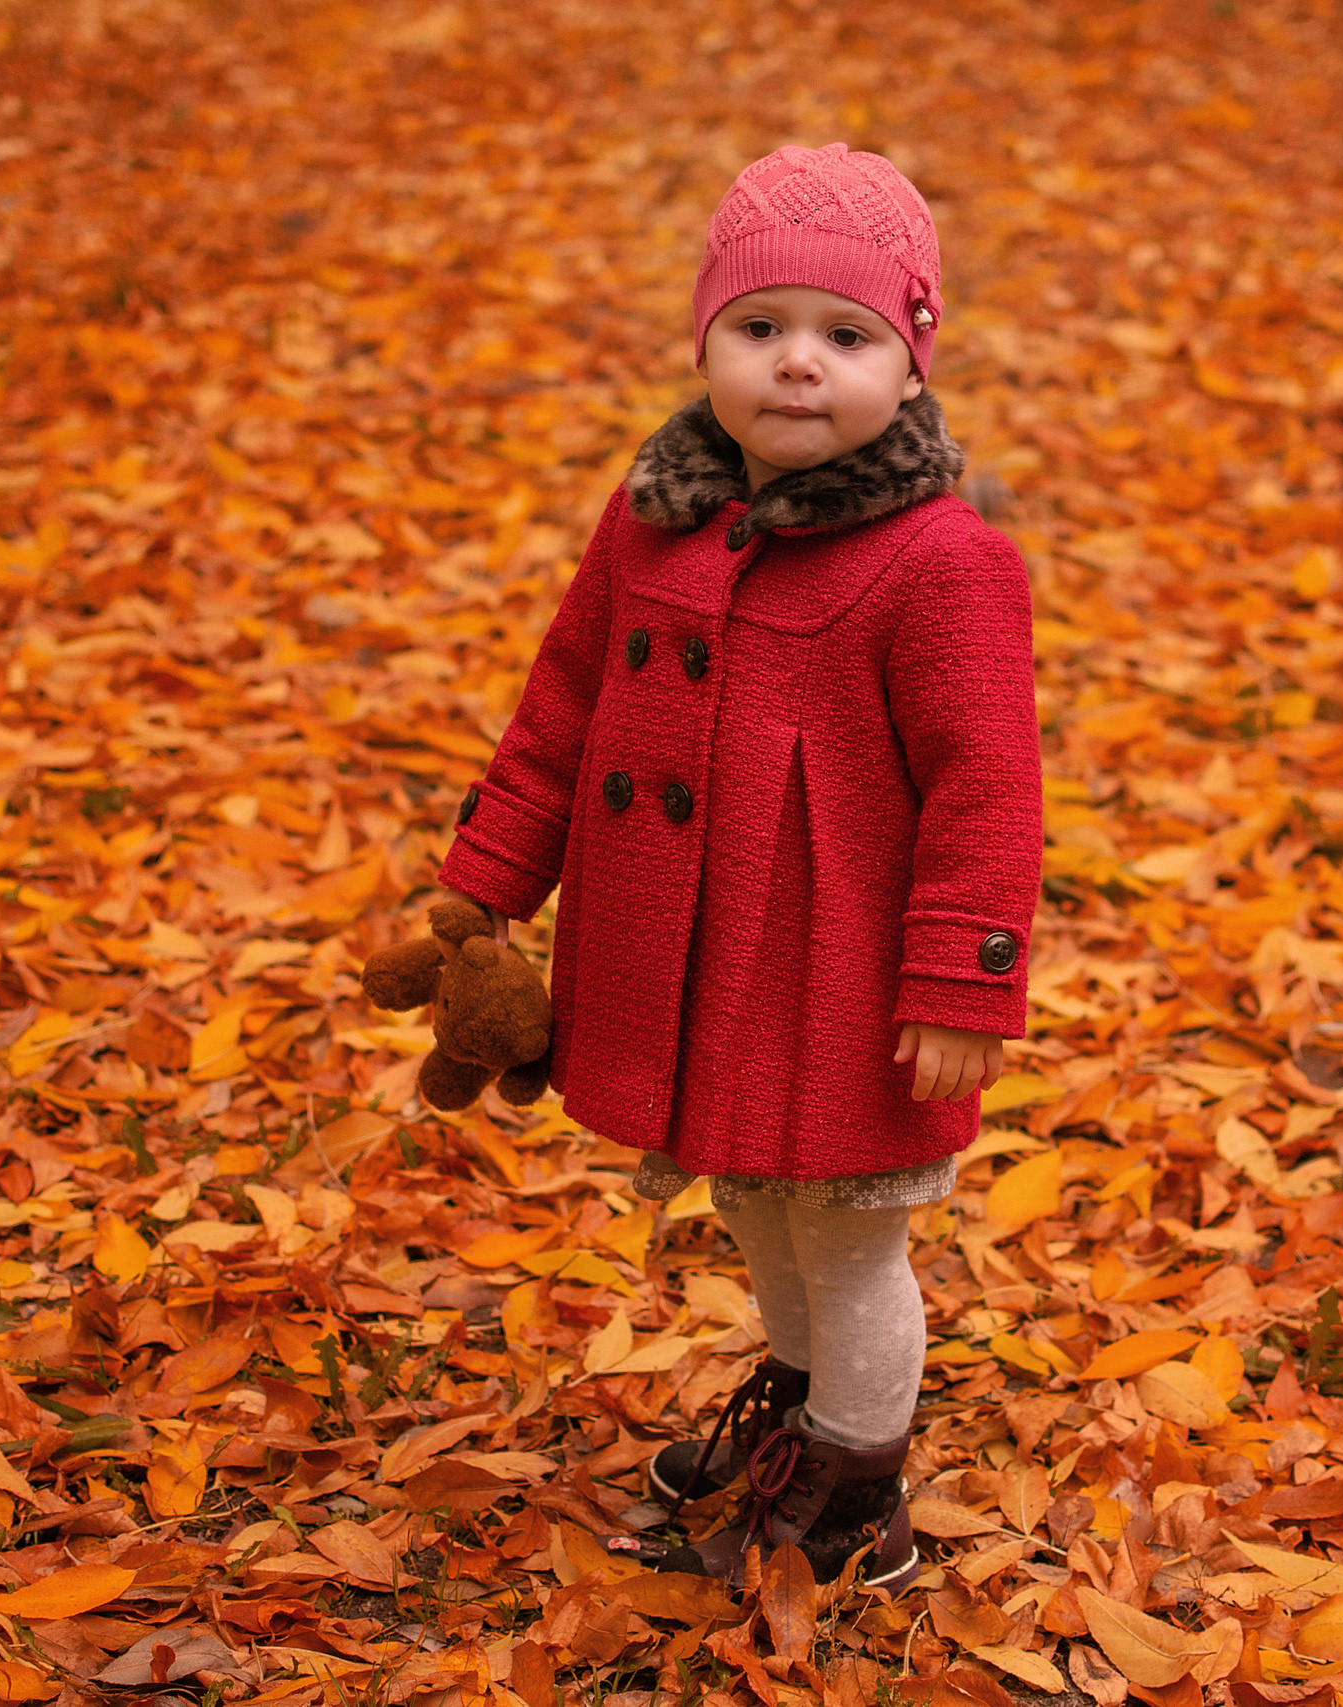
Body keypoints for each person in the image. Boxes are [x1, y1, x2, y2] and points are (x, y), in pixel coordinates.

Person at [428, 143, 1040, 1591]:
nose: (799, 367)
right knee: (755, 1200)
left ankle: (856, 1484)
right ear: (706, 339)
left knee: (849, 1230)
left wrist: (964, 983)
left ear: (912, 359)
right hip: (698, 956)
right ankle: (803, 1414)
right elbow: (564, 703)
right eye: (759, 328)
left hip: (835, 968)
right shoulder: (656, 515)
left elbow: (987, 789)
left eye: (848, 335)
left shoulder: (943, 562)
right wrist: (492, 878)